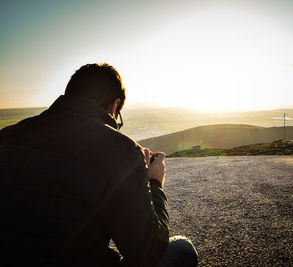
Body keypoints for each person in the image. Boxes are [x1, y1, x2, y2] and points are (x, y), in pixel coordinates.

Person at [0, 63, 198, 266]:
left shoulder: (6, 136)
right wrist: (154, 182)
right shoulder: (119, 148)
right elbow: (147, 252)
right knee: (182, 250)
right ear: (114, 105)